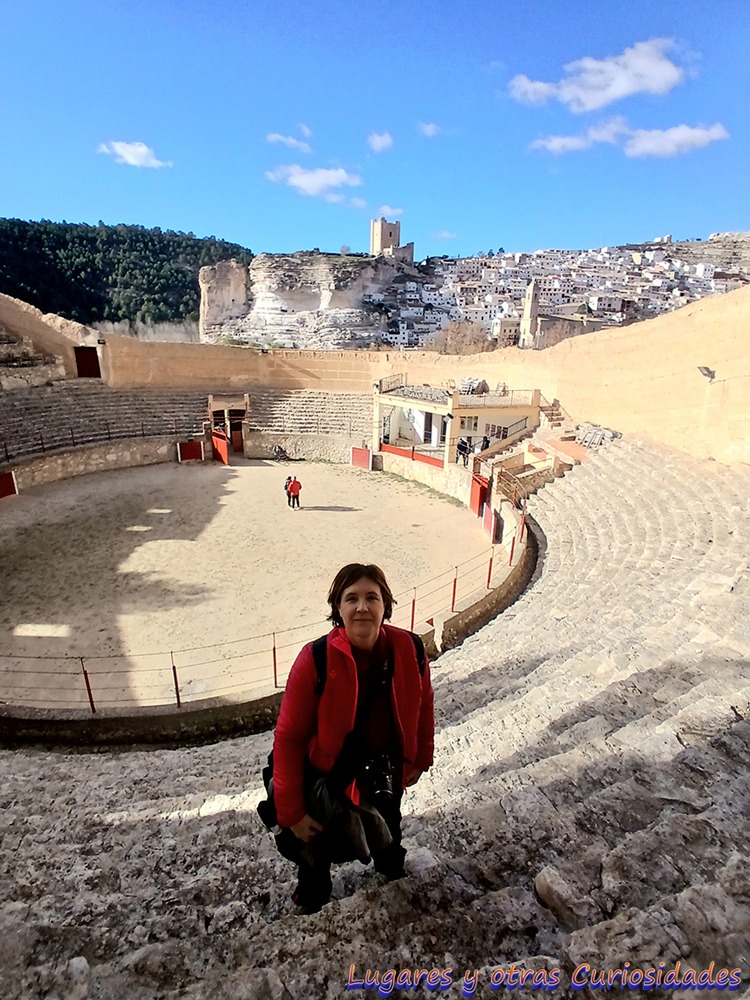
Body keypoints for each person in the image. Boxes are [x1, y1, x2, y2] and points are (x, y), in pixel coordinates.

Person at [271, 563, 435, 913]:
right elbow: (287, 737)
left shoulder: (410, 648)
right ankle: (314, 895)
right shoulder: (314, 658)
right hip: (330, 775)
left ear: (385, 606)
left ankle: (393, 876)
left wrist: (421, 758)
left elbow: (424, 704)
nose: (362, 607)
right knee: (314, 848)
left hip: (384, 769)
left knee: (390, 830)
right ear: (338, 608)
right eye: (352, 598)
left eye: (371, 598)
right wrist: (291, 813)